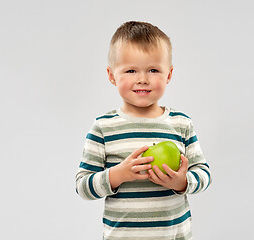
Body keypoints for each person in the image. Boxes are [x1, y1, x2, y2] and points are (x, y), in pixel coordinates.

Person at [75, 21, 211, 240]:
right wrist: (118, 174)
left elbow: (204, 173)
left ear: (169, 75)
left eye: (153, 70)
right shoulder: (103, 127)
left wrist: (182, 182)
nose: (142, 79)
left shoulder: (181, 124)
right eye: (130, 70)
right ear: (112, 75)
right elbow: (83, 186)